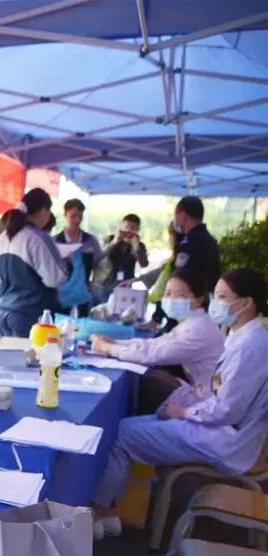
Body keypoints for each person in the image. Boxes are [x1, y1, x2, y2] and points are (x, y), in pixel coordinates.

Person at [92, 268, 268, 538]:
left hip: (226, 439)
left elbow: (226, 409)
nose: (216, 303)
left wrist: (184, 412)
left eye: (222, 297)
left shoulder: (250, 346)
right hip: (219, 425)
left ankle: (100, 510)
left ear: (245, 303)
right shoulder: (245, 337)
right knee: (127, 426)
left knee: (120, 435)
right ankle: (108, 510)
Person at [90, 269, 224, 413]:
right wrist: (115, 343)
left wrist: (108, 348)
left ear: (198, 300)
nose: (171, 299)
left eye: (180, 295)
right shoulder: (192, 323)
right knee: (152, 379)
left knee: (135, 413)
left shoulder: (198, 329)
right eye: (167, 293)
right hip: (203, 394)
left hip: (209, 406)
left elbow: (152, 354)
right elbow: (155, 344)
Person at [0, 188, 68, 339]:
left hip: (3, 313)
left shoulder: (3, 237)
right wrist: (66, 262)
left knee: (8, 355)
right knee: (31, 355)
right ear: (44, 210)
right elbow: (55, 278)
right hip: (29, 316)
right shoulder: (37, 237)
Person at [54, 198, 102, 316]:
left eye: (80, 217)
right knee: (60, 321)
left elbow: (99, 263)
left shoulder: (90, 240)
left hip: (83, 292)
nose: (77, 220)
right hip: (61, 293)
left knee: (83, 321)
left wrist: (94, 282)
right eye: (73, 216)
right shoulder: (55, 241)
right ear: (65, 215)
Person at [171, 195, 220, 293]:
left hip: (190, 296)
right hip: (207, 295)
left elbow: (180, 276)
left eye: (176, 214)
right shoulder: (209, 240)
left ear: (183, 215)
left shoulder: (189, 243)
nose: (175, 219)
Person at [95, 213, 149, 301]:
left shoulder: (139, 245)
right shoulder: (109, 239)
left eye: (133, 228)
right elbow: (100, 256)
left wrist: (136, 248)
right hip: (105, 283)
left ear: (137, 230)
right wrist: (114, 242)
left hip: (125, 284)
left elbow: (144, 264)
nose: (129, 231)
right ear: (121, 227)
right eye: (126, 227)